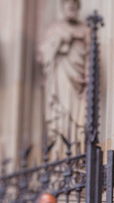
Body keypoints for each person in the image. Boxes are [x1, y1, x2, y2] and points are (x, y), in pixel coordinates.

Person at [38, 0, 89, 157]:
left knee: (77, 117)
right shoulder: (54, 29)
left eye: (74, 6)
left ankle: (76, 154)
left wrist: (87, 80)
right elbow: (43, 57)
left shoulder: (85, 30)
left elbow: (90, 58)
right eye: (68, 6)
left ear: (78, 8)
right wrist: (59, 41)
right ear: (62, 8)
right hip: (59, 81)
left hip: (77, 83)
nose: (71, 9)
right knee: (60, 117)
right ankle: (59, 154)